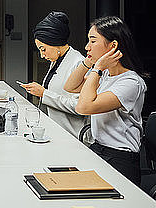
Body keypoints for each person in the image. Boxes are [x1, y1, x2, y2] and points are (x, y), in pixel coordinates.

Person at [63, 16, 147, 186]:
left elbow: (84, 107)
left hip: (120, 157)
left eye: (92, 41)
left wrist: (98, 67)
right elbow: (70, 87)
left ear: (113, 45)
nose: (87, 47)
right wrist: (89, 61)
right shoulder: (106, 75)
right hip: (99, 148)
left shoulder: (130, 82)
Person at [19, 11, 90, 139]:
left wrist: (43, 93)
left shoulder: (78, 63)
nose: (42, 55)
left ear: (55, 42)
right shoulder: (57, 60)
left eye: (43, 49)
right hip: (55, 131)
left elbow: (80, 106)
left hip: (71, 135)